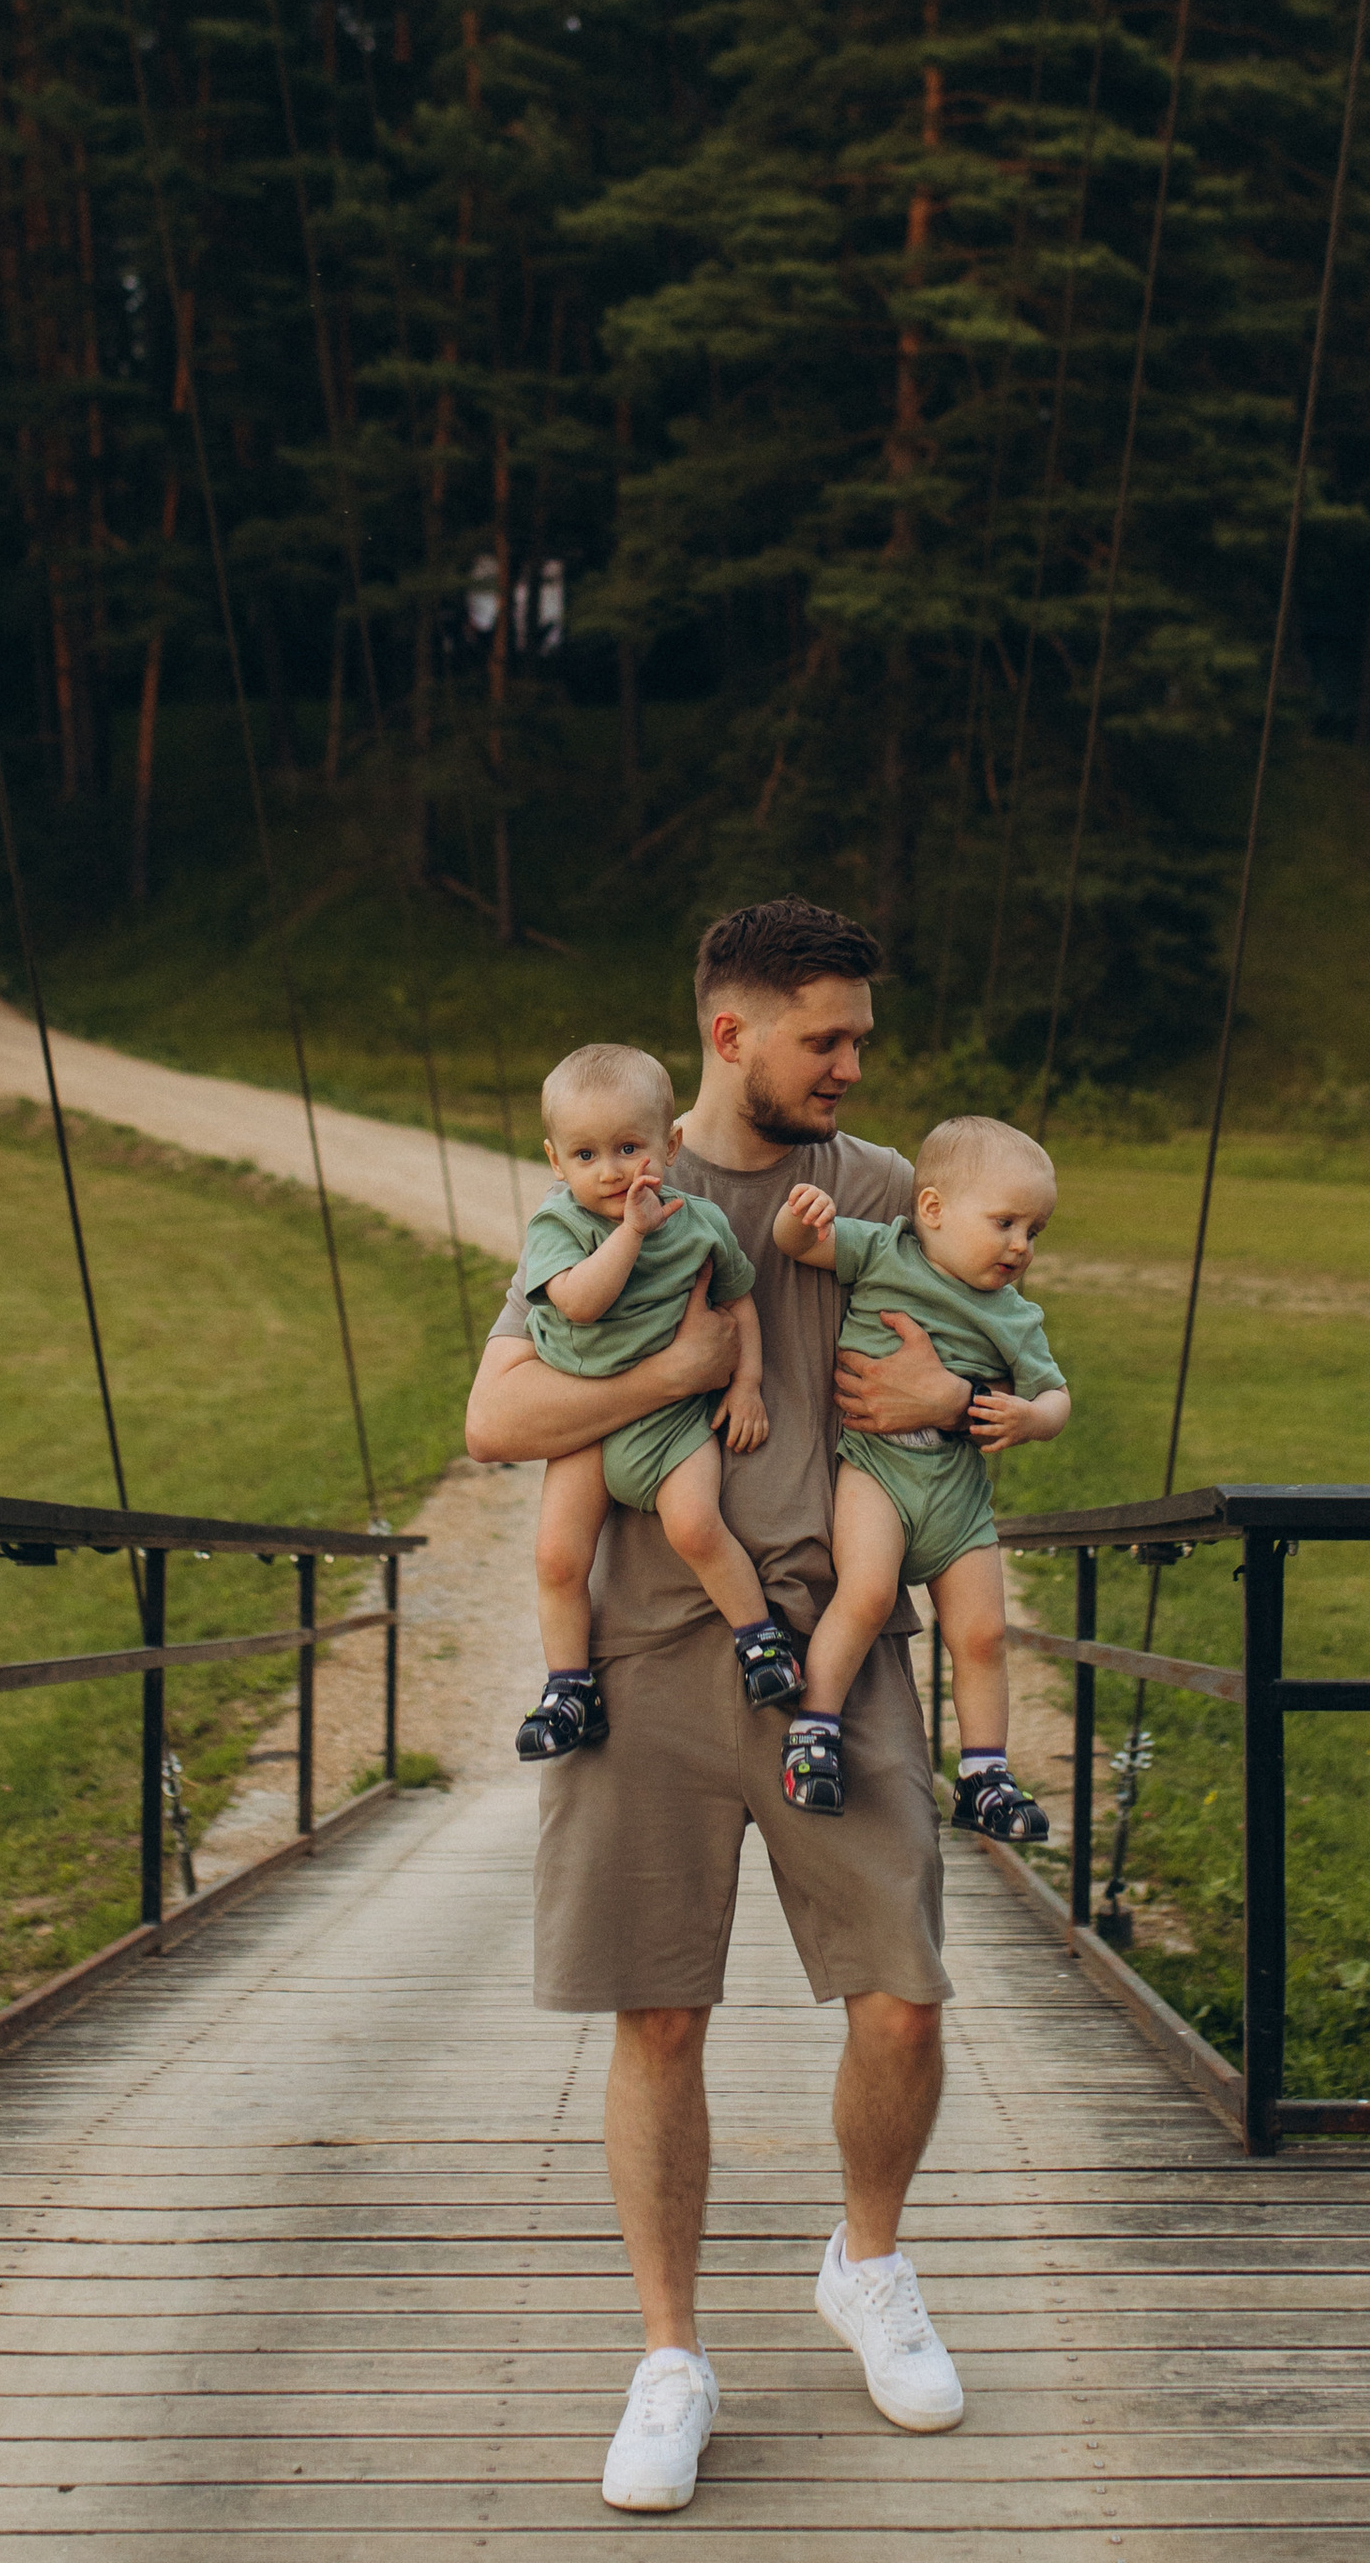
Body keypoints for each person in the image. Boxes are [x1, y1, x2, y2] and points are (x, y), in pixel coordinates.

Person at [463, 896, 976, 2517]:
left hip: (834, 1654)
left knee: (904, 1992)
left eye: (861, 1042)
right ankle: (671, 2358)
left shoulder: (880, 1186)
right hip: (641, 1657)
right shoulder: (614, 1169)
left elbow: (974, 1359)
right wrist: (675, 1377)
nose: (851, 1066)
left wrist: (952, 1398)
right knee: (659, 2013)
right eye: (827, 1038)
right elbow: (498, 1412)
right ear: (732, 1033)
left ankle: (868, 2267)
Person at [771, 1114, 1070, 1843]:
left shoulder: (1016, 1317)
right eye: (1005, 1223)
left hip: (958, 1498)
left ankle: (984, 1774)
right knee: (866, 1594)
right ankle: (814, 1731)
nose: (1021, 1246)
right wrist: (795, 1220)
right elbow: (805, 1248)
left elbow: (1056, 1397)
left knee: (984, 1633)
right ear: (932, 1209)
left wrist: (1032, 1420)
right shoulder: (884, 1251)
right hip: (878, 1471)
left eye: (1035, 1231)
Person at [510, 1043, 804, 1765]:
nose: (609, 1170)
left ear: (670, 1145)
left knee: (697, 1525)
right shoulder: (559, 1227)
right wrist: (632, 1235)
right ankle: (568, 1687)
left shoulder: (700, 1223)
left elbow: (738, 1301)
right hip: (587, 1420)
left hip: (674, 1423)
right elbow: (578, 1303)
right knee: (556, 1556)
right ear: (555, 1162)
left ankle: (759, 1640)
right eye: (585, 1155)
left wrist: (744, 1384)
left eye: (629, 1147)